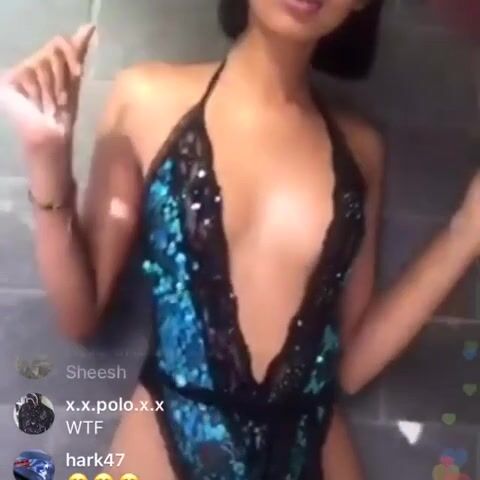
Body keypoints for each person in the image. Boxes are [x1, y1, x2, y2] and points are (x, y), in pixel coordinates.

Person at [1, 0, 479, 478]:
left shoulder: (362, 149)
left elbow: (349, 368)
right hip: (164, 440)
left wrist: (466, 232)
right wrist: (48, 160)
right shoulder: (145, 98)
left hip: (314, 450)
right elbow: (80, 318)